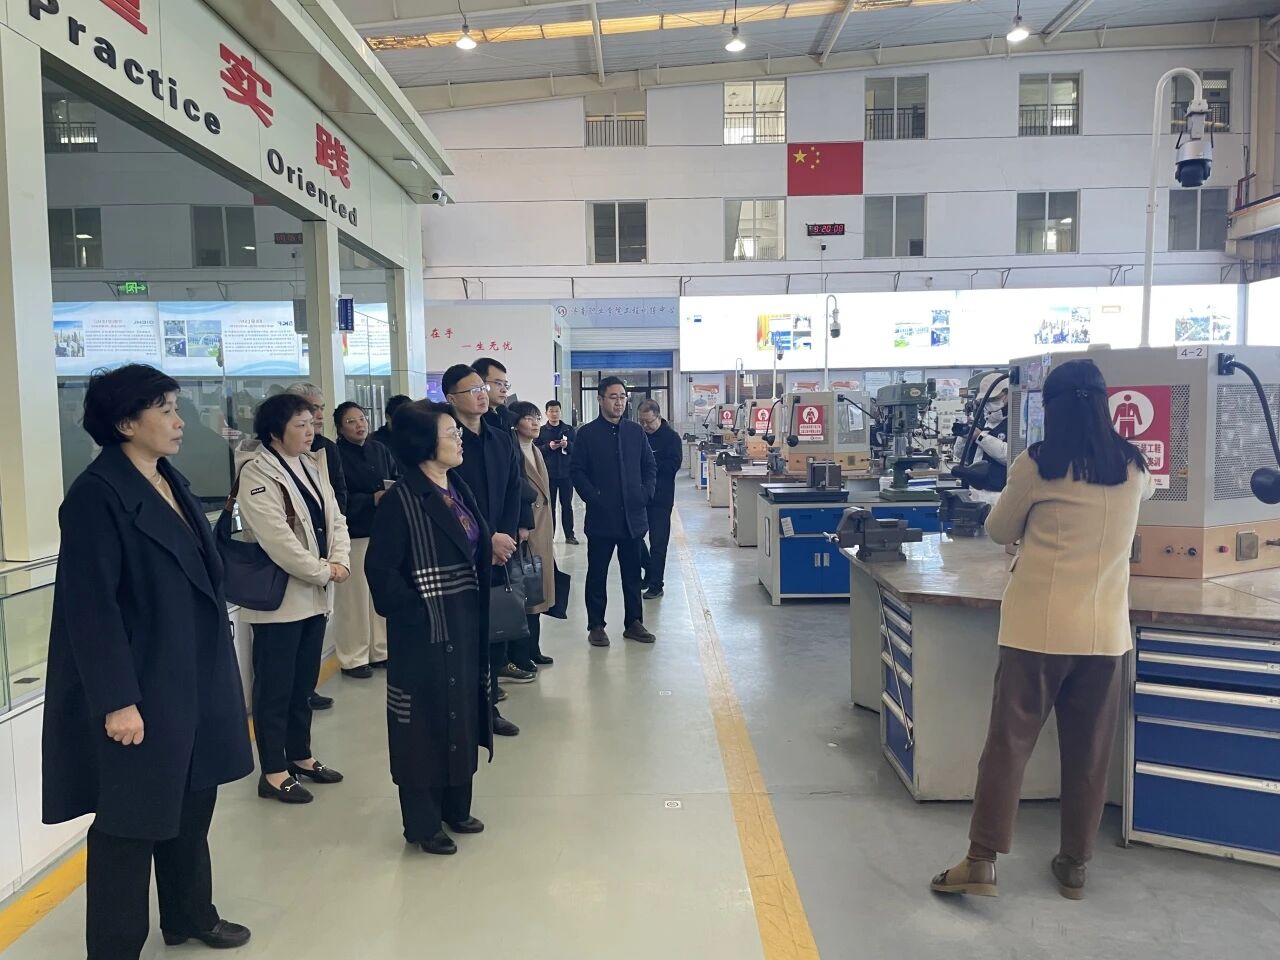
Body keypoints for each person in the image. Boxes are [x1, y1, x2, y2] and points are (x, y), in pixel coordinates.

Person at [43, 364, 253, 958]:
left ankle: (189, 914)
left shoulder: (167, 478)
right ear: (125, 423)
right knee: (129, 822)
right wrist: (118, 701)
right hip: (144, 684)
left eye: (174, 407)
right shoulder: (96, 496)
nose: (179, 421)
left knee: (193, 800)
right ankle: (114, 947)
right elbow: (91, 609)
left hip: (192, 674)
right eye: (164, 409)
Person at [931, 359, 1154, 902]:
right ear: (1104, 403)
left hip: (1036, 631)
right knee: (1089, 752)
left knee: (1008, 746)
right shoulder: (1133, 466)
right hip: (1105, 635)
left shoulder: (1038, 463)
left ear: (1050, 409)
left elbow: (998, 528)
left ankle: (981, 862)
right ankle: (1075, 864)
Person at [365, 402, 492, 855]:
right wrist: (418, 615)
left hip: (464, 620)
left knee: (462, 709)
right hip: (425, 631)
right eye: (450, 432)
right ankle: (422, 823)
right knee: (422, 722)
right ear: (423, 442)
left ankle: (456, 806)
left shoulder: (456, 487)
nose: (459, 439)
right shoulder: (401, 500)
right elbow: (381, 573)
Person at [236, 393, 351, 805]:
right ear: (274, 433)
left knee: (303, 684)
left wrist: (340, 561)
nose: (310, 431)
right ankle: (273, 770)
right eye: (300, 425)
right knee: (275, 689)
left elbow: (335, 518)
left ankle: (301, 755)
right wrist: (324, 571)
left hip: (314, 595)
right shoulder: (256, 472)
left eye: (312, 423)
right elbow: (277, 539)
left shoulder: (311, 463)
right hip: (280, 600)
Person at [442, 364, 524, 736]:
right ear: (451, 398)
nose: (480, 394)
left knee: (492, 630)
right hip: (461, 551)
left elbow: (513, 488)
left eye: (482, 387)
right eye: (471, 390)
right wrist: (486, 538)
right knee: (461, 634)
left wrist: (504, 535)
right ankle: (460, 712)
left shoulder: (500, 439)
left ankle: (488, 710)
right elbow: (450, 498)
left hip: (498, 550)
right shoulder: (446, 444)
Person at [571, 377, 658, 647]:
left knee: (632, 574)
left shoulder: (635, 432)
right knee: (597, 574)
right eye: (613, 397)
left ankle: (634, 623)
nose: (619, 402)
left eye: (622, 397)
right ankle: (596, 625)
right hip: (601, 518)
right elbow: (577, 472)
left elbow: (650, 466)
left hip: (632, 518)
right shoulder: (587, 434)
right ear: (600, 399)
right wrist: (593, 497)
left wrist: (645, 493)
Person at [286, 382, 348, 712]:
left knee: (316, 630)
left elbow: (337, 500)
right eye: (310, 410)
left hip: (324, 556)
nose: (318, 416)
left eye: (320, 409)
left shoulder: (325, 450)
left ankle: (306, 690)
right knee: (287, 644)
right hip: (295, 565)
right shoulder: (261, 462)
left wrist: (336, 554)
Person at [333, 401, 401, 678]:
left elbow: (396, 477)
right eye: (351, 421)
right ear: (340, 428)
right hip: (354, 533)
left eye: (362, 418)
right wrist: (370, 499)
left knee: (378, 594)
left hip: (381, 530)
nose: (359, 425)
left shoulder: (379, 449)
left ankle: (380, 650)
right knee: (354, 600)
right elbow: (338, 498)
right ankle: (354, 657)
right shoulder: (336, 455)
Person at [511, 401, 557, 666]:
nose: (535, 423)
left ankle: (533, 648)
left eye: (537, 418)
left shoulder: (536, 451)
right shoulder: (512, 451)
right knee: (524, 592)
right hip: (526, 531)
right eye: (529, 418)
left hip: (542, 530)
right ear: (516, 423)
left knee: (535, 592)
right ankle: (521, 653)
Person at [537, 399, 578, 544]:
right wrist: (548, 447)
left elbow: (577, 449)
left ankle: (569, 535)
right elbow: (535, 450)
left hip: (566, 474)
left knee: (567, 506)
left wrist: (567, 445)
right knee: (550, 507)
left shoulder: (569, 430)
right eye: (551, 411)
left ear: (560, 412)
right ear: (546, 413)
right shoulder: (541, 431)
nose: (554, 414)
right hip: (549, 475)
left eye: (556, 411)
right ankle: (550, 535)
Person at [474, 357, 514, 431]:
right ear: (480, 383)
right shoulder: (474, 419)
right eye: (498, 383)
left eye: (505, 385)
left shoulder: (506, 416)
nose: (504, 390)